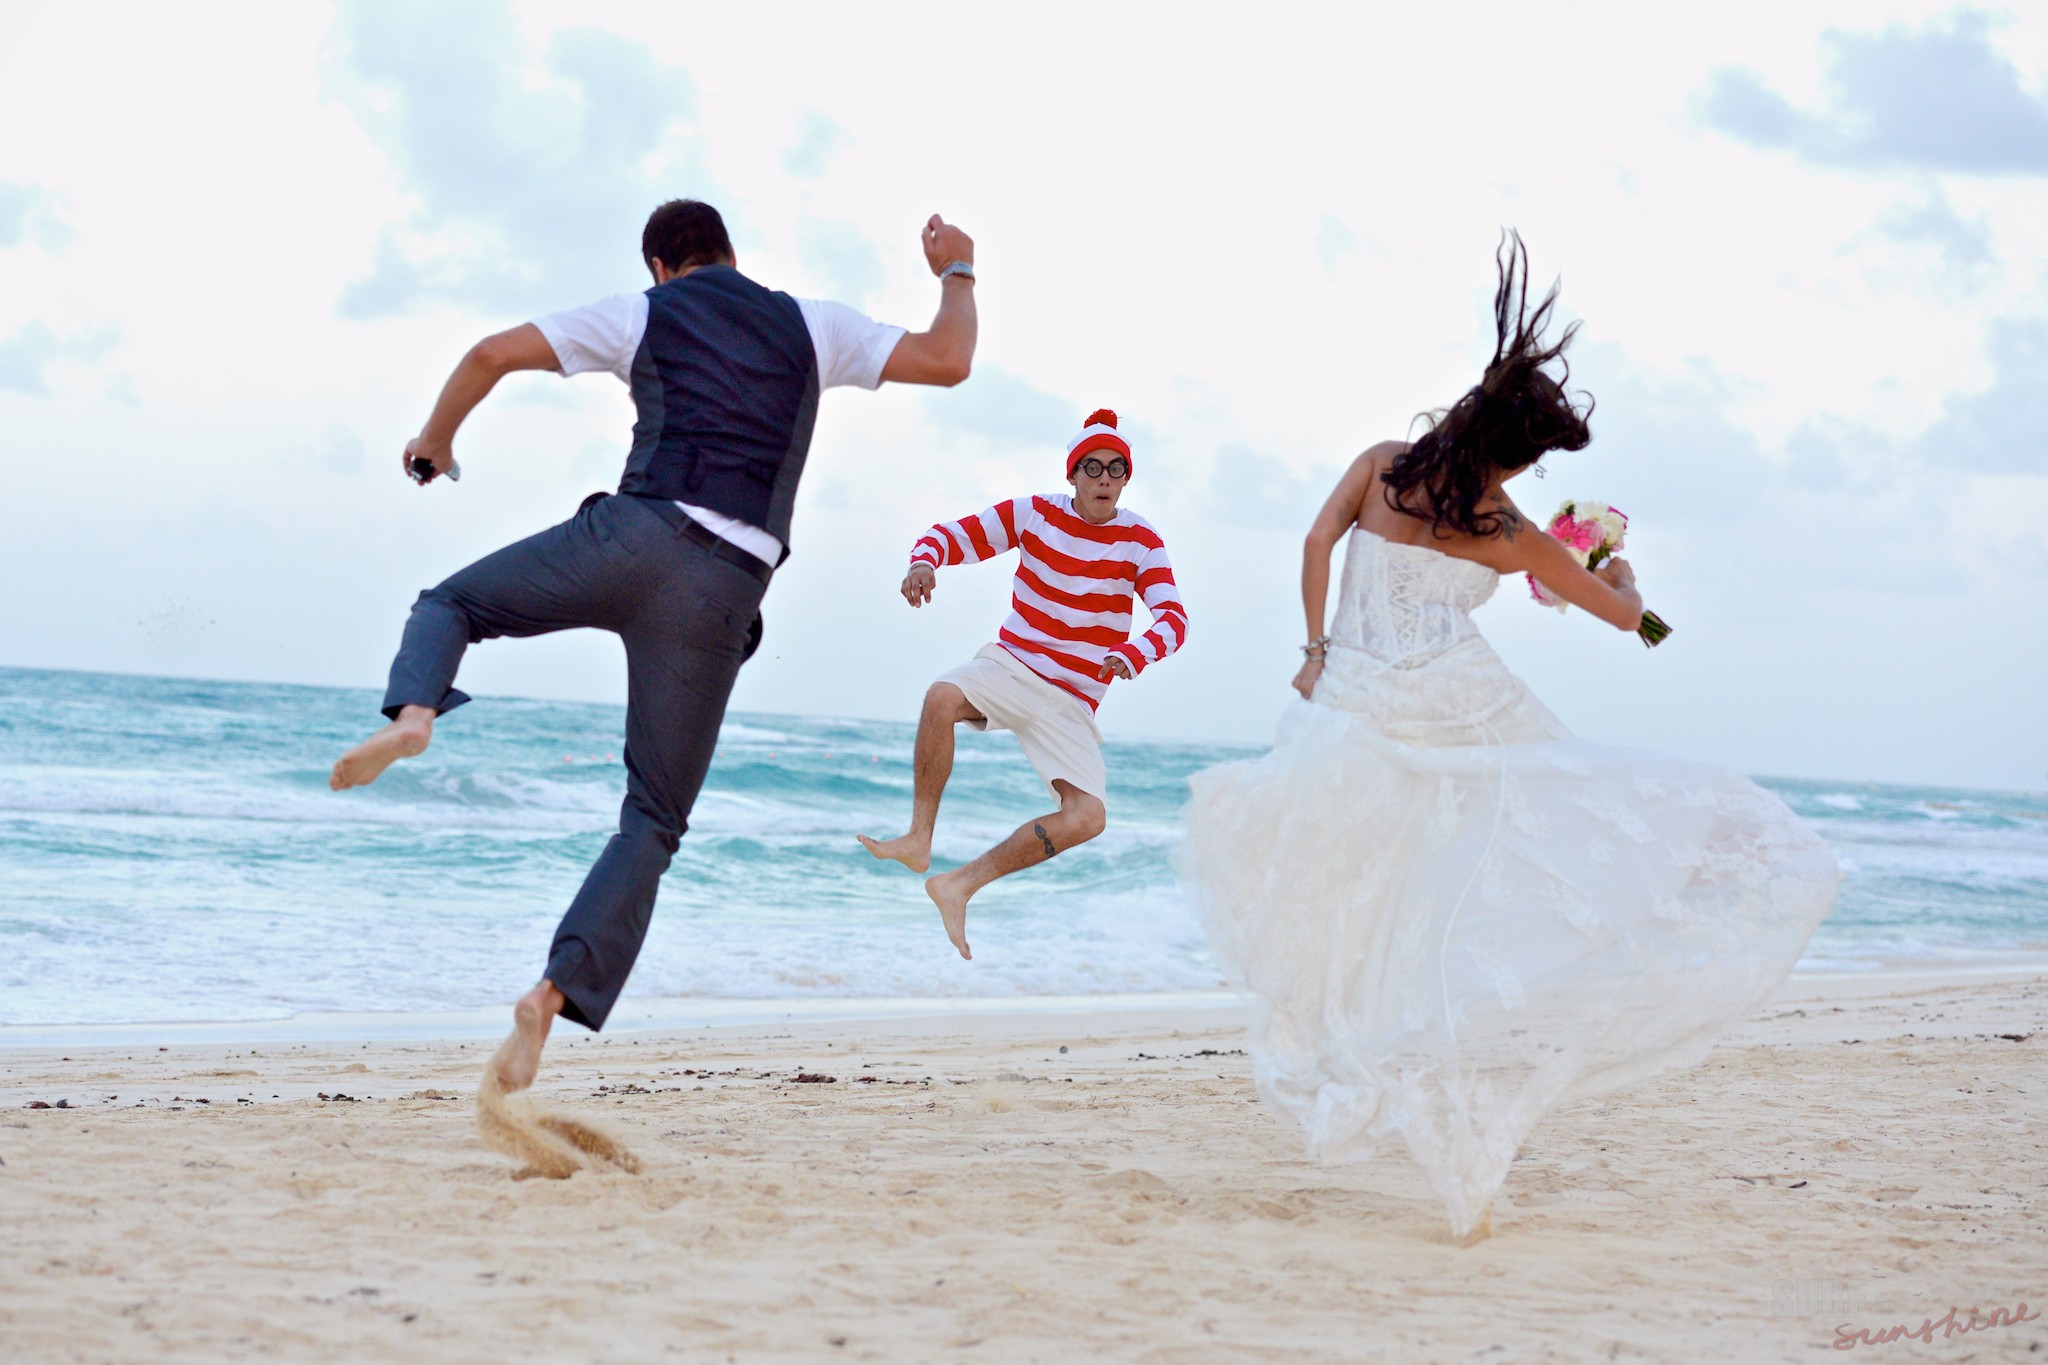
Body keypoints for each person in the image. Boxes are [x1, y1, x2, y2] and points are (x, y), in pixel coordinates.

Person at [1179, 235, 1838, 1239]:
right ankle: (1440, 1064)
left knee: (1366, 908)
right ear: (1513, 454)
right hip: (1458, 716)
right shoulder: (1505, 530)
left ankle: (1392, 1066)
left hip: (1355, 709)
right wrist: (1624, 579)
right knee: (1501, 875)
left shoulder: (1378, 468)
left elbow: (1314, 542)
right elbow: (1636, 628)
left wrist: (1313, 649)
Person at [327, 199, 979, 1093]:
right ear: (728, 255)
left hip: (634, 538)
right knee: (652, 820)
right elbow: (949, 360)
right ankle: (552, 996)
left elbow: (490, 354)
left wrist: (435, 440)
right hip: (725, 591)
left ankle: (411, 717)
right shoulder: (812, 325)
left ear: (661, 266)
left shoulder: (644, 312)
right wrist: (958, 270)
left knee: (453, 603)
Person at [858, 410, 1188, 959]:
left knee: (1088, 818)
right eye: (1092, 466)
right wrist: (924, 563)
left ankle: (958, 884)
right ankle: (919, 838)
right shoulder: (1033, 514)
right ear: (1073, 475)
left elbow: (1173, 619)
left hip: (1073, 702)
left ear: (1126, 478)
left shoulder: (1141, 541)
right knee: (941, 697)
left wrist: (1134, 654)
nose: (1104, 478)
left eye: (1116, 468)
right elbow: (950, 535)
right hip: (1014, 668)